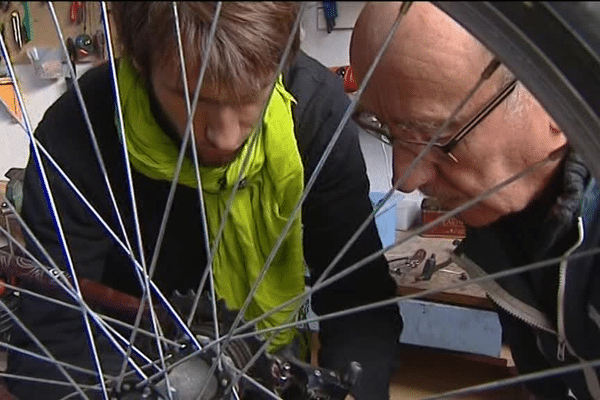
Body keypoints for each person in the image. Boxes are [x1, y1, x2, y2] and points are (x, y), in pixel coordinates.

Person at [7, 2, 402, 399]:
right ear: (141, 65)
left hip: (266, 374)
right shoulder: (81, 125)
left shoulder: (313, 113)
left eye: (252, 94)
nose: (226, 137)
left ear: (281, 64)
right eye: (191, 97)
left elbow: (359, 301)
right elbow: (53, 334)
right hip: (123, 378)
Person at [350, 2, 600, 400]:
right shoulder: (506, 222)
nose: (405, 178)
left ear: (552, 100)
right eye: (384, 127)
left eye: (436, 138)